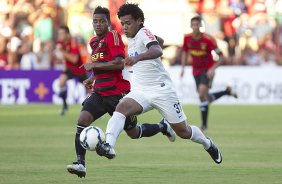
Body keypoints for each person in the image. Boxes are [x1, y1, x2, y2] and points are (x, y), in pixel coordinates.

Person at [96, 3, 222, 165]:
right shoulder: (134, 36)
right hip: (141, 91)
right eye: (122, 24)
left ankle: (208, 144)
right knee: (121, 108)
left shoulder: (143, 32)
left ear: (139, 21)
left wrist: (138, 57)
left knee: (184, 132)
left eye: (128, 23)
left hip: (162, 91)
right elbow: (159, 41)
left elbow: (157, 50)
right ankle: (108, 145)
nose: (125, 27)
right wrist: (153, 42)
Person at [66, 6, 176, 178]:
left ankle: (163, 126)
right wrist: (93, 78)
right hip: (100, 93)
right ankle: (80, 163)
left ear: (109, 23)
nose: (98, 24)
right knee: (82, 120)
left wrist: (93, 66)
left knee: (133, 133)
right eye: (95, 21)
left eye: (102, 21)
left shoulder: (114, 36)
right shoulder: (93, 42)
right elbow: (103, 64)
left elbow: (118, 63)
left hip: (117, 94)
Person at [180, 16, 237, 131]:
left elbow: (221, 57)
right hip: (195, 70)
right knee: (205, 98)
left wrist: (213, 69)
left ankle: (204, 126)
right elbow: (185, 52)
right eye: (193, 25)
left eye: (197, 25)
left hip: (207, 70)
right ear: (191, 26)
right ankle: (226, 91)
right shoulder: (187, 38)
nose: (195, 27)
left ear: (201, 26)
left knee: (201, 94)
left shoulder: (208, 40)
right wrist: (182, 68)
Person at [54, 25, 88, 115]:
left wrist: (62, 53)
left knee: (89, 89)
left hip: (79, 69)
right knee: (61, 82)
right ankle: (64, 106)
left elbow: (74, 60)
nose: (59, 36)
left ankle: (97, 107)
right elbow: (58, 54)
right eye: (59, 34)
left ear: (67, 34)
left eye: (61, 34)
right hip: (69, 68)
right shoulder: (60, 43)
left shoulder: (73, 42)